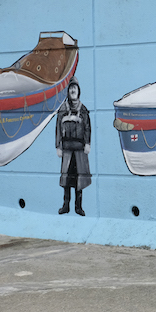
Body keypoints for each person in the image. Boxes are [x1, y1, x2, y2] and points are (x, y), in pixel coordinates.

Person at [56, 77, 91, 216]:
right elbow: (58, 128)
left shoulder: (83, 110)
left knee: (79, 179)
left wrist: (87, 143)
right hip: (66, 149)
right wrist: (58, 146)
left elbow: (87, 128)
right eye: (71, 89)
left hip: (80, 149)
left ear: (78, 91)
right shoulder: (62, 109)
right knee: (66, 178)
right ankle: (66, 205)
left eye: (75, 89)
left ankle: (78, 206)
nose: (73, 91)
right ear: (68, 92)